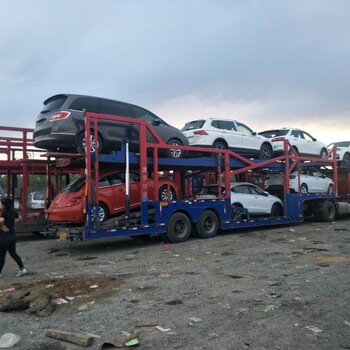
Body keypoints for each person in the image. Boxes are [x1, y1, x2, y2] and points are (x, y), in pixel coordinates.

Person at [0, 197, 27, 278]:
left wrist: (3, 225)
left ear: (4, 205)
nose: (0, 205)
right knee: (13, 254)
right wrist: (12, 221)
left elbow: (1, 220)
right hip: (12, 236)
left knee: (1, 256)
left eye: (1, 204)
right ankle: (22, 269)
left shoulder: (3, 213)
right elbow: (20, 217)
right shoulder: (12, 212)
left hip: (4, 237)